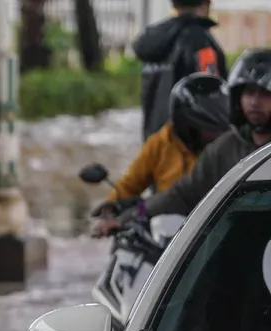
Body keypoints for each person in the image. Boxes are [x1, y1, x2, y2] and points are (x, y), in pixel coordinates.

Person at [102, 49, 271, 232]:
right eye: (249, 93)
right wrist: (131, 215)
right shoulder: (223, 149)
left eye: (264, 94)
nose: (254, 102)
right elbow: (180, 195)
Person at [90, 72, 229, 237]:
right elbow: (136, 188)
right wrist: (113, 207)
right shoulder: (159, 144)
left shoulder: (228, 146)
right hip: (166, 224)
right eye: (209, 130)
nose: (216, 136)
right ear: (188, 125)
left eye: (221, 129)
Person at [134, 0, 227, 140]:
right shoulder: (201, 42)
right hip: (188, 145)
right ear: (207, 3)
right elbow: (212, 94)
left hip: (154, 141)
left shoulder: (154, 40)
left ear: (173, 4)